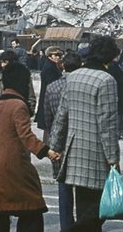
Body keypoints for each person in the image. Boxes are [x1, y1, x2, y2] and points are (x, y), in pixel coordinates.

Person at [49, 36, 121, 232]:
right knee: (99, 208)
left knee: (83, 205)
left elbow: (62, 115)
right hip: (96, 152)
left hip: (74, 151)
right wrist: (113, 157)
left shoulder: (74, 76)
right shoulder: (106, 80)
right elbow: (107, 123)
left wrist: (54, 145)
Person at [0, 62, 61, 232]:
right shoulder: (19, 105)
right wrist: (47, 151)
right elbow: (26, 135)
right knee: (31, 205)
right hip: (13, 162)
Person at [44, 52, 82, 230]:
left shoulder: (52, 87)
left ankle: (66, 224)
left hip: (59, 141)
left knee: (63, 186)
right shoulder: (82, 86)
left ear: (62, 66)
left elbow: (48, 118)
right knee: (82, 187)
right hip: (80, 140)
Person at [35, 46, 65, 140]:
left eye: (59, 55)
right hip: (49, 100)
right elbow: (53, 86)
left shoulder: (50, 66)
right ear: (49, 56)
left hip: (46, 99)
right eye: (55, 55)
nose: (58, 57)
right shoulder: (50, 68)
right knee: (50, 129)